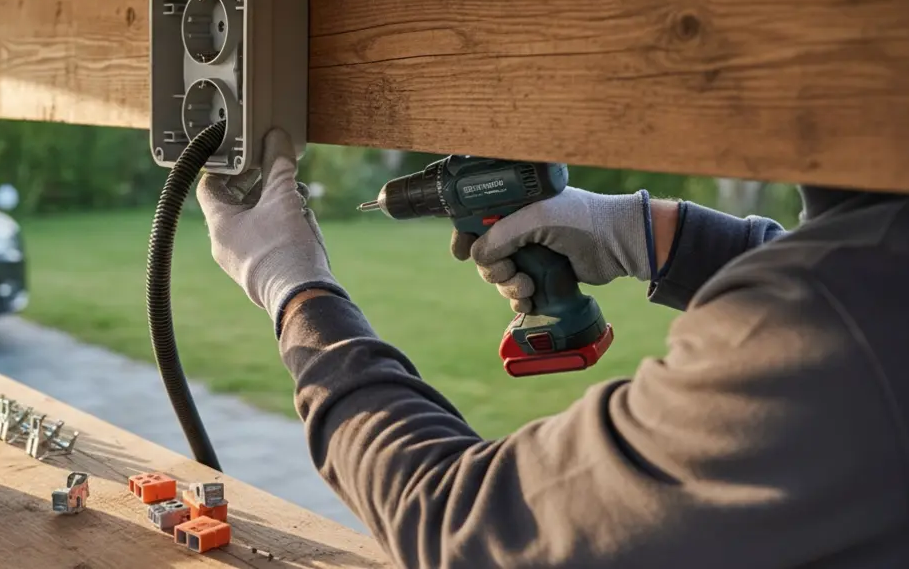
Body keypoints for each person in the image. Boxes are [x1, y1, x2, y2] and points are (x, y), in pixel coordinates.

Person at [196, 128, 909, 569]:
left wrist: (294, 286)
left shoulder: (833, 329)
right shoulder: (877, 267)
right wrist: (644, 231)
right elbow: (847, 265)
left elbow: (464, 527)